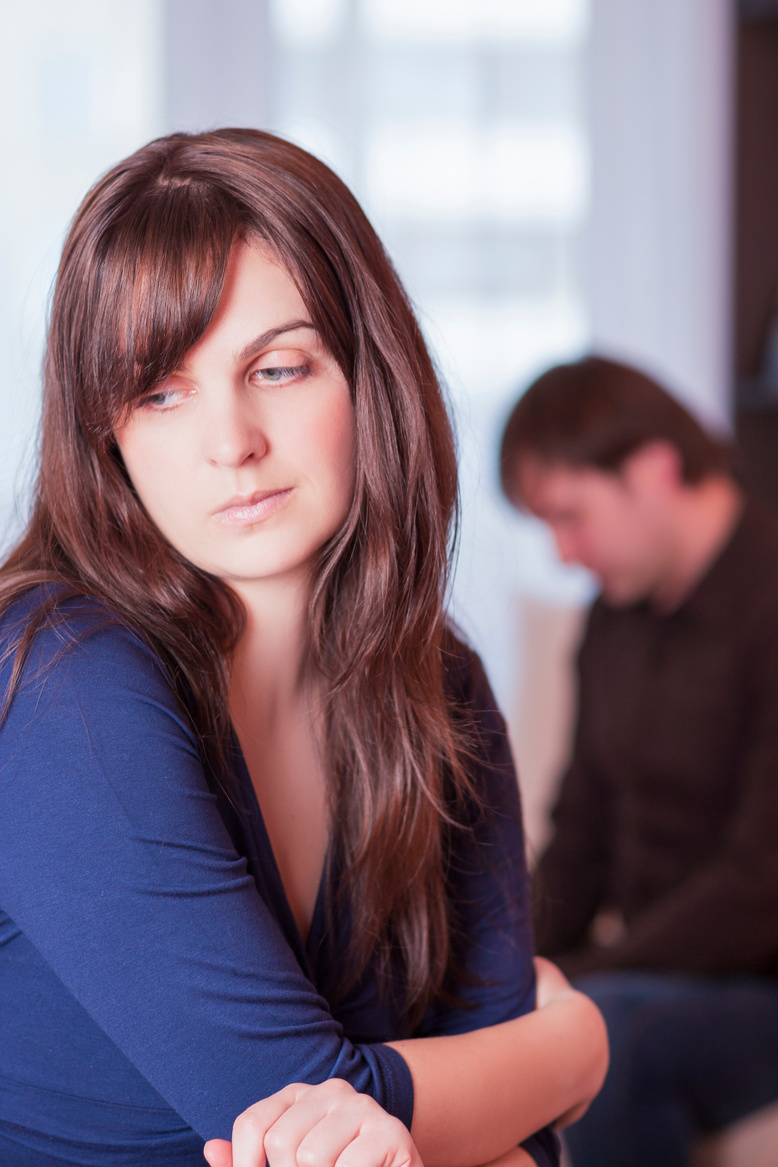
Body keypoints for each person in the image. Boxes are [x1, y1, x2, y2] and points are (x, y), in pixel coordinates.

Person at [0, 130, 608, 1167]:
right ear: (108, 434)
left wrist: (495, 1110)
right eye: (160, 390)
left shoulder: (441, 685)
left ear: (369, 375)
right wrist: (573, 1047)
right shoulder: (62, 680)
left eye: (278, 368)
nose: (229, 440)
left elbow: (506, 1150)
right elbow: (300, 1117)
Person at [499, 354, 778, 1167]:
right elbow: (579, 834)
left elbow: (760, 881)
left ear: (654, 468)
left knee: (608, 1029)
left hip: (757, 983)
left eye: (569, 516)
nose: (563, 553)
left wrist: (583, 978)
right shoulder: (612, 622)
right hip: (650, 969)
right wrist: (509, 971)